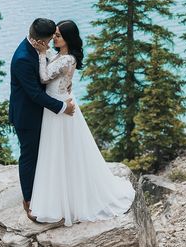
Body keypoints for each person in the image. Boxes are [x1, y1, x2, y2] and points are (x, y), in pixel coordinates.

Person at [29, 20, 135, 226]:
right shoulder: (63, 56)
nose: (54, 38)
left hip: (60, 109)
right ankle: (61, 194)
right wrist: (46, 52)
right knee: (60, 152)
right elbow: (55, 64)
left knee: (61, 151)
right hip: (60, 103)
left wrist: (41, 54)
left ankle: (67, 199)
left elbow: (44, 78)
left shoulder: (67, 59)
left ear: (67, 39)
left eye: (58, 35)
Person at [9, 18, 75, 218]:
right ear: (42, 40)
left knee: (43, 154)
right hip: (27, 116)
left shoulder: (36, 49)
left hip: (41, 113)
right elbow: (35, 94)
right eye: (51, 39)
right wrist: (63, 107)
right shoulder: (22, 58)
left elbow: (47, 73)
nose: (52, 42)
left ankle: (46, 191)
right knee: (29, 157)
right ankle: (28, 200)